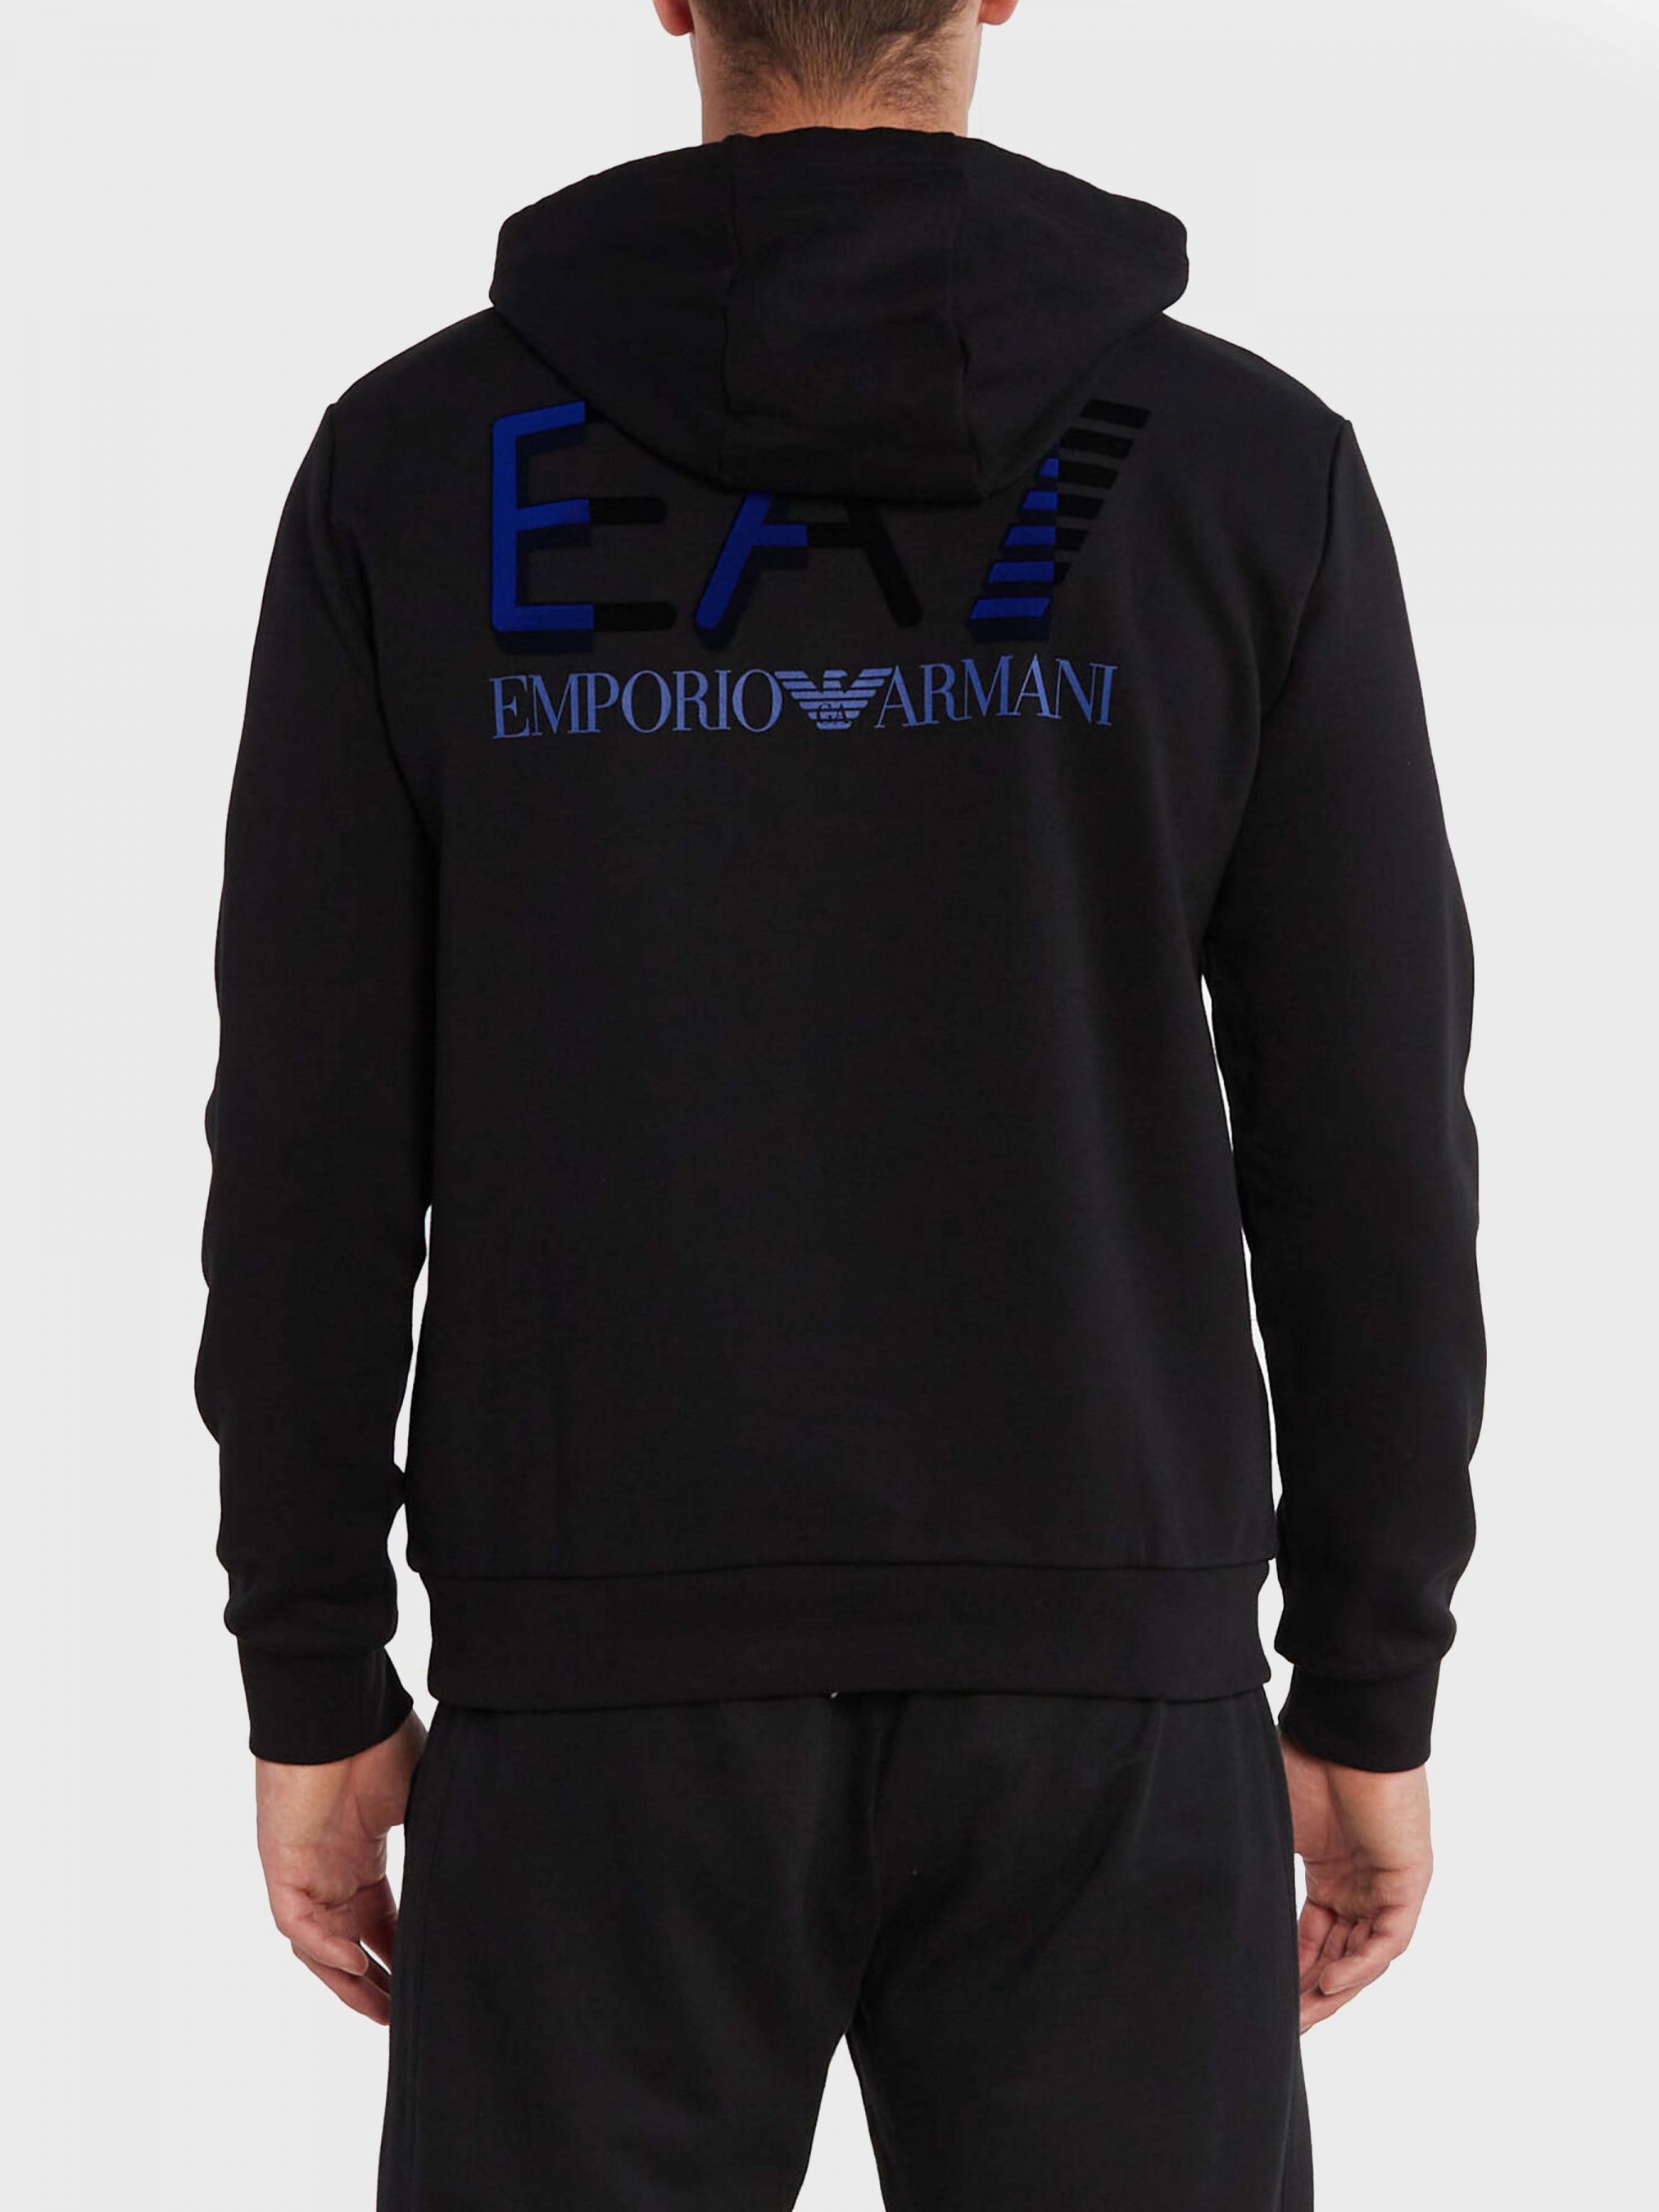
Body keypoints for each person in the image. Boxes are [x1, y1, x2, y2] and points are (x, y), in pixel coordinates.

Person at [197, 2, 1484, 2205]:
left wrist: (312, 1666)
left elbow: (313, 1125)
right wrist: (1367, 1680)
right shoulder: (1243, 467)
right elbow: (1368, 1132)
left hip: (594, 1705)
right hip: (1100, 1692)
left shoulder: (415, 466)